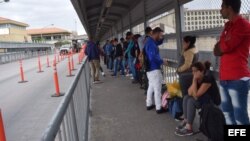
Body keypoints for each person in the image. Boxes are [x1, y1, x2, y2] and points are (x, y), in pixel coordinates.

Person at [214, 0, 250, 125]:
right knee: (228, 115)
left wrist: (221, 45)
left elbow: (224, 48)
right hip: (224, 78)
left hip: (238, 79)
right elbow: (216, 50)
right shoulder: (227, 26)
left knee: (240, 118)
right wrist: (221, 44)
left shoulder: (243, 24)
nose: (220, 9)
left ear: (229, 8)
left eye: (222, 6)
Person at [175, 62, 220, 136]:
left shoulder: (208, 79)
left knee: (191, 101)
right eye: (192, 71)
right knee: (186, 97)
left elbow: (195, 96)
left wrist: (194, 81)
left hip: (212, 102)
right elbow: (189, 93)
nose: (193, 73)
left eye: (195, 71)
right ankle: (186, 120)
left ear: (202, 71)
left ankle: (189, 128)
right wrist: (194, 81)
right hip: (204, 99)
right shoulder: (198, 78)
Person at [144, 27, 168, 114]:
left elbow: (159, 42)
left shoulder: (150, 41)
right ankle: (159, 107)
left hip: (149, 69)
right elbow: (152, 57)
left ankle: (149, 104)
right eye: (161, 35)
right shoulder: (151, 43)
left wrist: (163, 37)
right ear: (157, 33)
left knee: (151, 87)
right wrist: (162, 61)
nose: (161, 37)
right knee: (157, 88)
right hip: (154, 69)